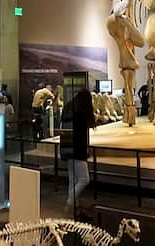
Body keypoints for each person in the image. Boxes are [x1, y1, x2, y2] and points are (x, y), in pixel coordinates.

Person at [61, 88, 96, 220]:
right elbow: (83, 132)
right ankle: (70, 204)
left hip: (67, 148)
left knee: (73, 180)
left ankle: (73, 211)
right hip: (77, 149)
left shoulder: (69, 108)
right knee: (84, 179)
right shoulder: (80, 112)